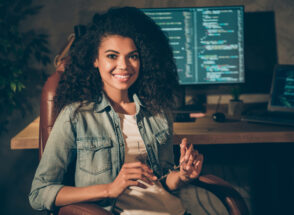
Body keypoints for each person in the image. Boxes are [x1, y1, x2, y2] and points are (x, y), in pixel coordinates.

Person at [29, 7, 227, 215]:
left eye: (132, 56)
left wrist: (183, 175)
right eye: (112, 56)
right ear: (95, 60)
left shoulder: (158, 112)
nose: (123, 66)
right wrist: (110, 189)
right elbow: (39, 193)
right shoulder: (76, 116)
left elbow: (162, 182)